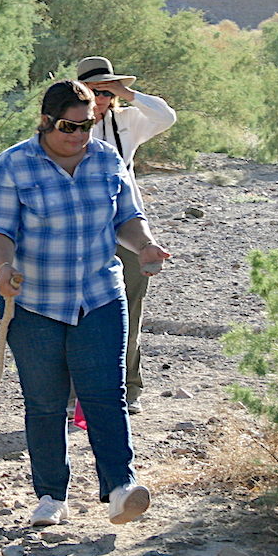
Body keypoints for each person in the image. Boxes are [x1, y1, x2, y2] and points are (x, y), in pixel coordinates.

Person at [0, 79, 170, 527]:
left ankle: (121, 488)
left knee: (106, 394)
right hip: (34, 304)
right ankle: (50, 496)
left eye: (88, 125)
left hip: (100, 296)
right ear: (45, 121)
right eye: (69, 125)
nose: (79, 135)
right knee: (45, 403)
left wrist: (145, 246)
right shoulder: (12, 166)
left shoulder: (107, 160)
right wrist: (3, 268)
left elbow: (128, 218)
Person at [77, 56, 177, 415]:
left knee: (129, 310)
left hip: (130, 232)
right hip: (85, 235)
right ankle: (79, 393)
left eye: (107, 91)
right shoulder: (69, 128)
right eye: (94, 90)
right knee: (82, 311)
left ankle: (128, 387)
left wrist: (128, 93)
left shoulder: (127, 122)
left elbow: (166, 117)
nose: (101, 98)